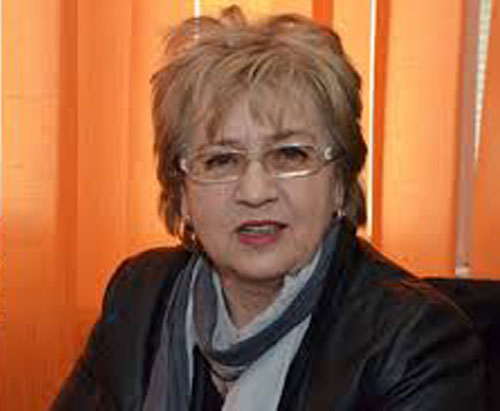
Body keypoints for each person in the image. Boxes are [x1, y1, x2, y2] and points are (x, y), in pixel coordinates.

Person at [53, 5, 486, 410]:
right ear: (180, 192)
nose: (255, 191)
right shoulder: (141, 293)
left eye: (290, 155)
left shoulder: (417, 343)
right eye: (221, 160)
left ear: (340, 182)